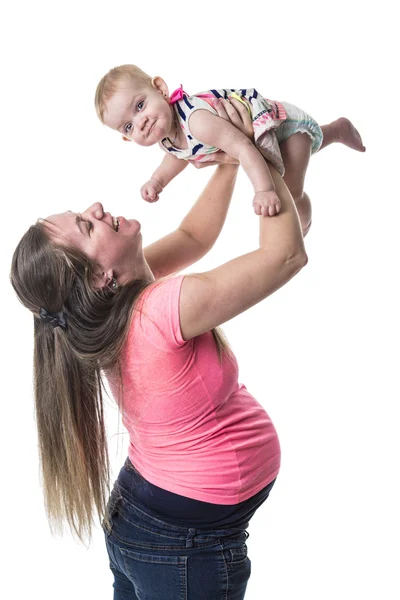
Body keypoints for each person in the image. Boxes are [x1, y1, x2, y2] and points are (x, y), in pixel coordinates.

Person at [10, 99, 307, 600]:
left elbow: (195, 236)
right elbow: (285, 255)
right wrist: (255, 148)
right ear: (100, 277)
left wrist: (230, 159)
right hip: (181, 546)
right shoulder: (156, 311)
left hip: (148, 521)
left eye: (82, 213)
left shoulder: (110, 312)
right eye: (87, 226)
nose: (97, 208)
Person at [95, 63, 365, 234]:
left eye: (140, 106)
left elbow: (244, 147)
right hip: (263, 138)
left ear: (161, 89)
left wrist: (263, 190)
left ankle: (302, 225)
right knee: (299, 156)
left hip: (285, 128)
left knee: (289, 193)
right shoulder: (166, 136)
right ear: (126, 138)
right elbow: (177, 155)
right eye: (128, 127)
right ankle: (336, 129)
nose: (139, 123)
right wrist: (158, 180)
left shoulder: (197, 121)